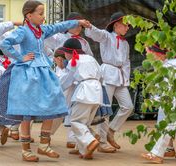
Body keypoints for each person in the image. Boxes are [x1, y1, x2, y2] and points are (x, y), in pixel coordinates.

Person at [0, 0, 90, 162]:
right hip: (27, 73)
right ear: (29, 15)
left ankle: (44, 144)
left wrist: (78, 22)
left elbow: (59, 26)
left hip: (43, 72)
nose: (43, 17)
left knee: (54, 103)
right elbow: (4, 43)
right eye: (40, 14)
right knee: (26, 112)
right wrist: (20, 57)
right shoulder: (23, 31)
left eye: (44, 13)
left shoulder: (42, 30)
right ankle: (26, 150)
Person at [85, 11, 134, 153]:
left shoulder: (125, 44)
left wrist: (125, 78)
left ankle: (111, 131)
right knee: (105, 109)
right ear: (116, 25)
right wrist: (89, 26)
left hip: (120, 77)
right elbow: (96, 33)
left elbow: (126, 62)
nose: (128, 28)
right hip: (107, 73)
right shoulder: (107, 36)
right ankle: (102, 141)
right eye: (126, 25)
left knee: (128, 106)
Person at [45, 12, 94, 149]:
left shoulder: (84, 42)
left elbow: (89, 57)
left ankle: (72, 138)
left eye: (80, 25)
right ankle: (47, 134)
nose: (78, 27)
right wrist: (56, 58)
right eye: (75, 24)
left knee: (76, 107)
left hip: (79, 79)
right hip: (64, 75)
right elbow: (44, 37)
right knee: (60, 107)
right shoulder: (58, 36)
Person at [59, 38, 102, 159]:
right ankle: (84, 149)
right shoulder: (91, 58)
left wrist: (56, 90)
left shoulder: (74, 60)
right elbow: (101, 74)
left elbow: (67, 80)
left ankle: (91, 140)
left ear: (72, 52)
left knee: (76, 121)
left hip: (84, 91)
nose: (64, 55)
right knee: (85, 122)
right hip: (97, 92)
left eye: (66, 52)